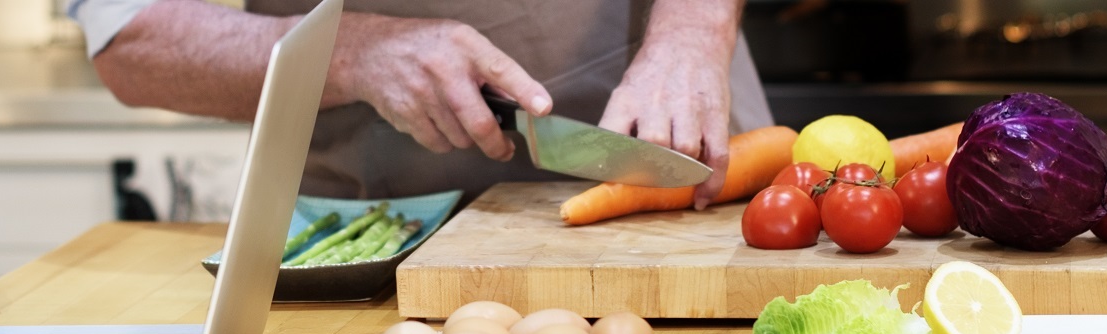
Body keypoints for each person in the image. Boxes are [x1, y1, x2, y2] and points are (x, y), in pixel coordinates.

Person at [67, 0, 773, 210]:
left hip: (684, 160)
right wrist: (348, 52)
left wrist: (692, 29)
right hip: (373, 229)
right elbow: (131, 39)